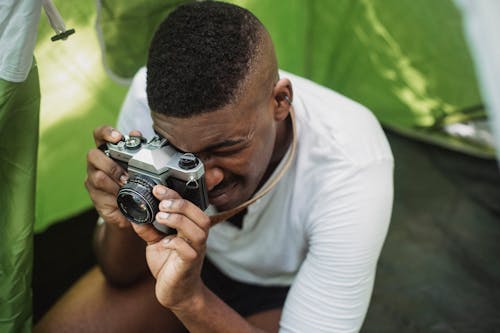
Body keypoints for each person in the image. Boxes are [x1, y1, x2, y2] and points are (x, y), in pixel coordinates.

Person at [35, 2, 393, 332]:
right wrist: (123, 218)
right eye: (177, 150)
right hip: (171, 260)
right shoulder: (150, 105)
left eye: (226, 147)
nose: (206, 175)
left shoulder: (353, 166)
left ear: (280, 101)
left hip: (275, 291)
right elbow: (119, 273)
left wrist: (190, 301)